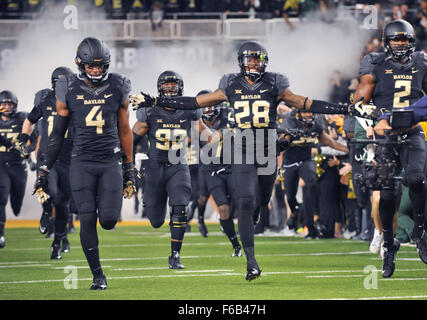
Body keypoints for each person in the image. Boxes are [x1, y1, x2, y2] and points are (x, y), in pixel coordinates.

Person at [130, 41, 371, 281]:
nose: (253, 63)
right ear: (241, 62)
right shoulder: (230, 83)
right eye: (249, 59)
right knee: (244, 201)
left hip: (267, 147)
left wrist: (346, 108)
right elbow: (195, 102)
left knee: (261, 199)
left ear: (264, 62)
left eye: (257, 59)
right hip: (242, 146)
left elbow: (305, 102)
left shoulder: (275, 82)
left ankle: (256, 214)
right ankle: (251, 262)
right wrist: (155, 101)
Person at [33, 37, 136, 290]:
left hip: (110, 160)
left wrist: (129, 167)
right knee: (87, 217)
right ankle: (98, 275)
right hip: (82, 162)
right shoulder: (67, 87)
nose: (96, 71)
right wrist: (44, 169)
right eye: (91, 66)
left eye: (100, 66)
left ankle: (104, 225)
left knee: (109, 220)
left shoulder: (119, 85)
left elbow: (125, 130)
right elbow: (57, 134)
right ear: (80, 64)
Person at [353, 19, 427, 278]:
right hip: (386, 133)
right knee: (387, 193)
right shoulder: (375, 63)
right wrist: (373, 113)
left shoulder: (423, 62)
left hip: (412, 130)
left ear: (411, 42)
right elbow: (359, 100)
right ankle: (389, 245)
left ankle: (419, 231)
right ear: (386, 41)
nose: (400, 44)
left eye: (404, 40)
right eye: (395, 40)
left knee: (417, 179)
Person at [131, 70, 205, 269]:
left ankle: (175, 255)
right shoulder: (149, 111)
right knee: (155, 220)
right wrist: (126, 162)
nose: (170, 88)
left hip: (178, 165)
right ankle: (152, 202)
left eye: (174, 84)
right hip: (154, 166)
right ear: (159, 88)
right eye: (166, 85)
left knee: (180, 208)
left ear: (181, 87)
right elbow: (132, 138)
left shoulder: (191, 110)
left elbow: (205, 135)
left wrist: (228, 136)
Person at [21, 66, 74, 259]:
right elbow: (29, 120)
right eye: (58, 84)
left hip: (68, 159)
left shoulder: (78, 101)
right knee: (49, 193)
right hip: (48, 158)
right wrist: (22, 137)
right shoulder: (45, 100)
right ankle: (45, 211)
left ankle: (58, 242)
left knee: (63, 204)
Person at [278, 110, 348, 238]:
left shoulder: (316, 124)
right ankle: (293, 213)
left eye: (310, 113)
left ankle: (316, 217)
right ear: (298, 114)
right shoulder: (290, 124)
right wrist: (277, 168)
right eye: (305, 113)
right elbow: (280, 148)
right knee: (290, 194)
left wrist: (349, 149)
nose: (308, 115)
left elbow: (331, 143)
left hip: (306, 159)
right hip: (290, 162)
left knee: (312, 181)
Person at [198, 90, 242, 257]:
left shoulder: (228, 115)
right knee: (222, 208)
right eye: (204, 107)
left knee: (242, 201)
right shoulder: (196, 123)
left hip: (231, 166)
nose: (208, 110)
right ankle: (236, 245)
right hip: (211, 169)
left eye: (210, 106)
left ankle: (247, 230)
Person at [0, 90, 35, 249]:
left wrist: (30, 154)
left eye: (9, 104)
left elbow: (36, 134)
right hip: (1, 164)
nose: (6, 107)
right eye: (3, 104)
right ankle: (0, 234)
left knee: (16, 203)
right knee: (1, 198)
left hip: (18, 166)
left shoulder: (22, 118)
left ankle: (16, 205)